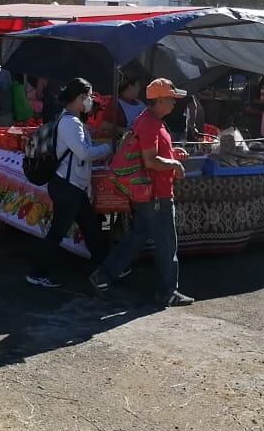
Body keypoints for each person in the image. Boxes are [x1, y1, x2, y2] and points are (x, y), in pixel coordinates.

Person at [90, 78, 194, 307]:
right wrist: (174, 165)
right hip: (156, 195)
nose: (174, 103)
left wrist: (172, 153)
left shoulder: (148, 120)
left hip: (149, 195)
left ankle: (103, 276)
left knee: (136, 238)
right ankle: (168, 292)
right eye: (170, 99)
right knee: (167, 243)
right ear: (158, 101)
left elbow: (153, 155)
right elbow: (150, 161)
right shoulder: (150, 123)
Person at [28, 78, 112, 288]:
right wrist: (109, 148)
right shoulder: (70, 122)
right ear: (79, 98)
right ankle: (38, 273)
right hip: (68, 186)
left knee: (90, 228)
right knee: (58, 232)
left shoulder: (72, 121)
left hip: (73, 186)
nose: (91, 101)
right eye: (89, 96)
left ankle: (108, 267)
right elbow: (83, 152)